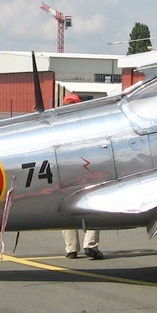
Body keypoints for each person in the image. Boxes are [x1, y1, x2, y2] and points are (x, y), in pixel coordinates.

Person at [60, 91, 102, 259]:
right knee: (93, 205)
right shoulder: (86, 124)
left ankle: (71, 248)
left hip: (64, 170)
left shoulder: (58, 125)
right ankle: (90, 244)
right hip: (86, 168)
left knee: (66, 207)